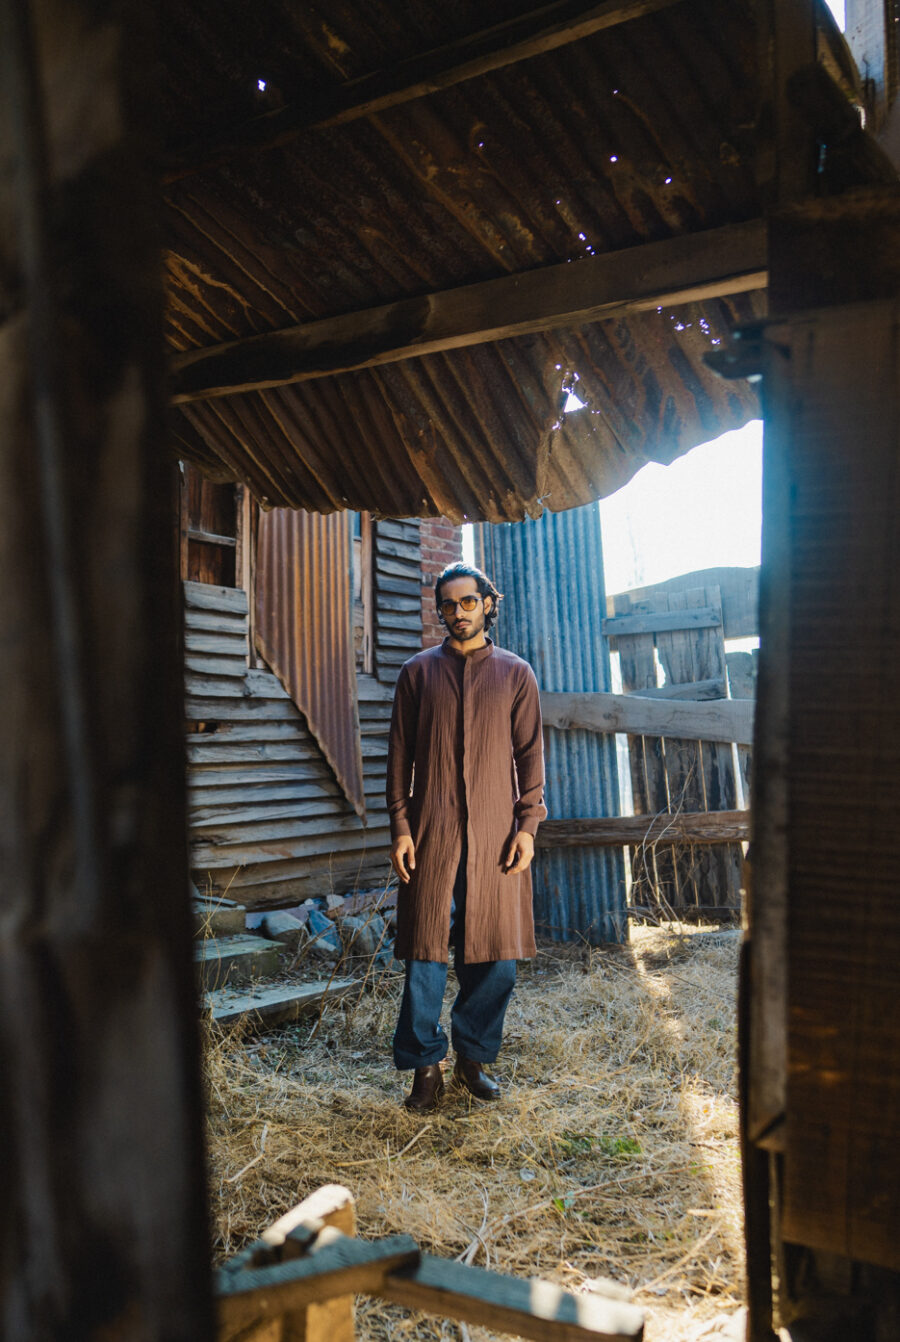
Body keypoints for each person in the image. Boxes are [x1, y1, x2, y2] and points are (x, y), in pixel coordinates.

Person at [386, 561, 546, 1113]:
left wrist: (528, 826)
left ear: (487, 603)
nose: (458, 613)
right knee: (425, 954)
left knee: (496, 956)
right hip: (431, 835)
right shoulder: (417, 673)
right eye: (448, 605)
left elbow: (529, 758)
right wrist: (401, 827)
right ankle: (425, 1068)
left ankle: (473, 1059)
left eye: (468, 602)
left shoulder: (515, 673)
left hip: (498, 837)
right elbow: (399, 757)